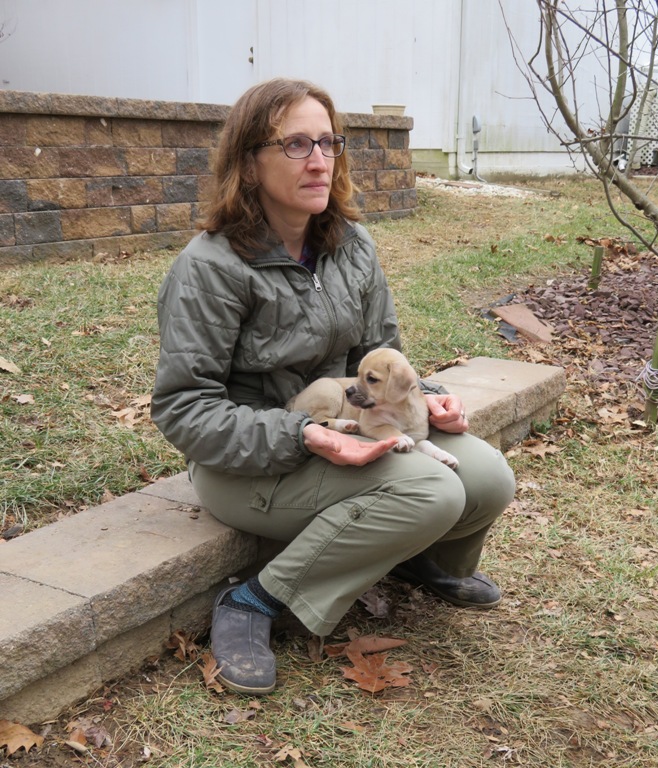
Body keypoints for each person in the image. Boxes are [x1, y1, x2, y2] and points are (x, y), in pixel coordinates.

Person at [151, 78, 516, 696]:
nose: (319, 159)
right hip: (248, 460)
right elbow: (184, 409)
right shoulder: (209, 267)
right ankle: (255, 601)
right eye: (295, 144)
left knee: (485, 478)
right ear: (249, 160)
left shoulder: (351, 244)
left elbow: (379, 355)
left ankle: (415, 560)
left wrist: (419, 393)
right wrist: (305, 434)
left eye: (327, 141)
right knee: (432, 490)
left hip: (352, 427)